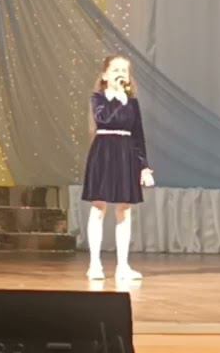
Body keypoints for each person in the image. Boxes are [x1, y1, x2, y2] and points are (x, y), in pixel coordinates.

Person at [81, 54, 154, 281]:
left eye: (124, 71)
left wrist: (144, 166)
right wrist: (119, 99)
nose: (120, 74)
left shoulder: (132, 103)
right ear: (105, 75)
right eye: (115, 70)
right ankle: (95, 264)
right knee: (98, 207)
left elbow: (138, 135)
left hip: (126, 154)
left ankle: (123, 266)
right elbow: (104, 119)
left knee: (124, 208)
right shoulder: (98, 99)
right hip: (103, 152)